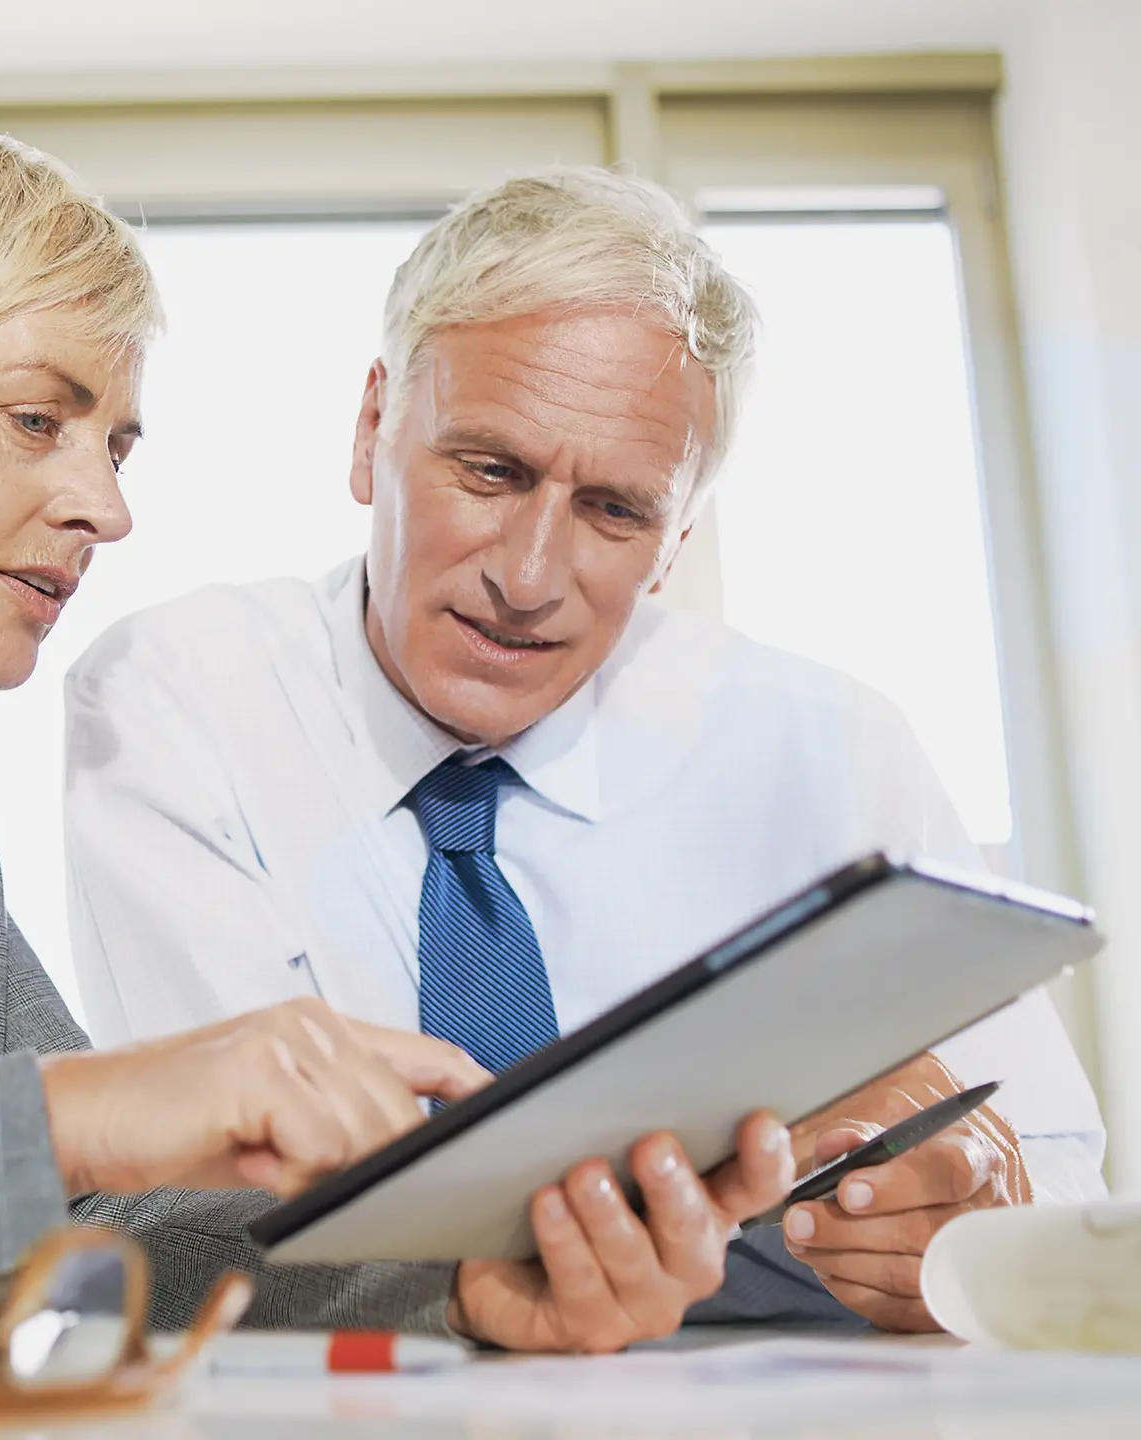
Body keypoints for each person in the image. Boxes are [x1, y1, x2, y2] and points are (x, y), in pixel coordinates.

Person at [0, 129, 795, 1373]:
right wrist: (85, 1109)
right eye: (33, 418)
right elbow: (48, 1147)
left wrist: (463, 1290)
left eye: (114, 446)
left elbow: (91, 1230)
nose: (106, 509)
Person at [65, 167, 1108, 1335]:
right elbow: (219, 1205)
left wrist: (964, 1228)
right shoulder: (177, 700)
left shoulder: (829, 746)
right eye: (490, 470)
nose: (527, 576)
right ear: (372, 429)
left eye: (615, 511)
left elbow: (1063, 1179)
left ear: (675, 544)